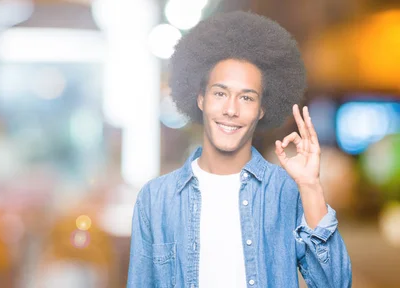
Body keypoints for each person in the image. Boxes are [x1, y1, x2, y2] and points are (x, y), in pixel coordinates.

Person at [127, 11, 351, 287]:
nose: (231, 110)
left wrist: (310, 186)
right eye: (220, 93)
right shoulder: (155, 199)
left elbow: (336, 283)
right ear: (201, 99)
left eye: (246, 97)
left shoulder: (286, 191)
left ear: (261, 109)